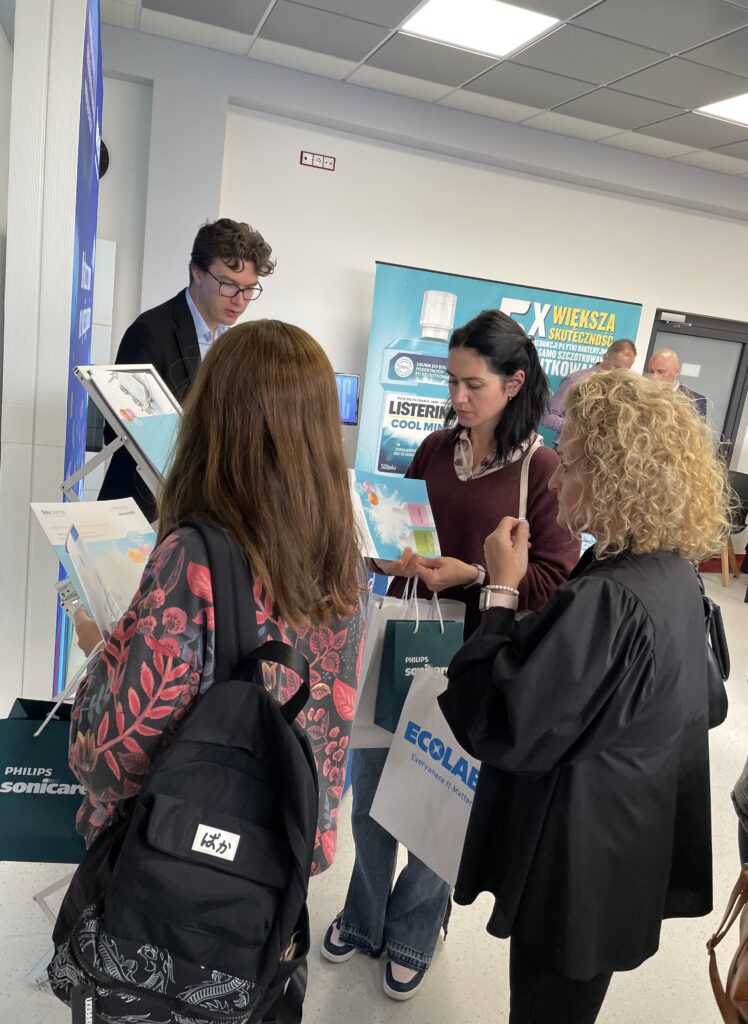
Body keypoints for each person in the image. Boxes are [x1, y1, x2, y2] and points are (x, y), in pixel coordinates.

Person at [439, 369, 729, 1024]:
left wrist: (502, 590)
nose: (553, 482)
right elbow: (706, 704)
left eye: (568, 466)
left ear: (615, 480)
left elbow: (503, 722)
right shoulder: (672, 574)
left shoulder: (607, 599)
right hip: (627, 837)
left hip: (575, 858)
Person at [322, 310, 580, 1001]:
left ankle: (413, 931)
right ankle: (363, 916)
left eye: (474, 385)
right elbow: (395, 530)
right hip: (405, 637)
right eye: (452, 382)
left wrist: (477, 574)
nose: (458, 397)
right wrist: (385, 554)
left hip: (475, 660)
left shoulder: (541, 470)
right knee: (372, 796)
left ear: (514, 383)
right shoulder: (437, 449)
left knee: (440, 805)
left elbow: (556, 581)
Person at [69, 320, 365, 875]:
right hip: (276, 856)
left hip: (176, 855)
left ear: (213, 421)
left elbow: (108, 762)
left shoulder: (193, 558)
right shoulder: (345, 561)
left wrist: (101, 652)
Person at [98, 218, 275, 517]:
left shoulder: (230, 341)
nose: (240, 300)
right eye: (228, 284)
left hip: (197, 508)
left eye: (249, 289)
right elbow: (121, 435)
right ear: (197, 272)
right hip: (143, 509)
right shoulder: (151, 331)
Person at [541, 337, 636, 439]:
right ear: (605, 358)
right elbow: (547, 416)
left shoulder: (621, 389)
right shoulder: (575, 380)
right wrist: (579, 429)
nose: (619, 374)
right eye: (617, 367)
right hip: (569, 446)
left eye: (625, 371)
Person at [648, 347, 708, 417]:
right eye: (652, 372)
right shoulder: (644, 395)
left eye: (661, 371)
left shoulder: (696, 400)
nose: (654, 377)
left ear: (677, 371)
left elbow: (697, 424)